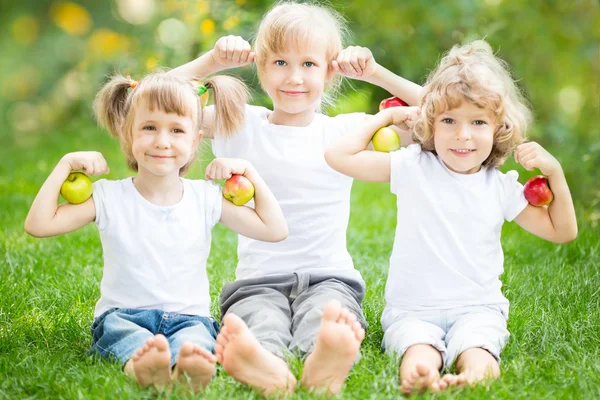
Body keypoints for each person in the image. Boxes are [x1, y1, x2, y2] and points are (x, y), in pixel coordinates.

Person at [168, 1, 423, 396]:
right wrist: (211, 61)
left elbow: (442, 117)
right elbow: (146, 102)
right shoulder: (237, 121)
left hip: (329, 278)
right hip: (258, 282)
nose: (294, 78)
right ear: (261, 66)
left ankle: (325, 360)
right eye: (281, 63)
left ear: (330, 70)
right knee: (260, 324)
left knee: (328, 321)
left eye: (309, 65)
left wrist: (376, 73)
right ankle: (267, 365)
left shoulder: (348, 132)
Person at [324, 39, 578, 395]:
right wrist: (386, 117)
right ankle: (422, 375)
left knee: (478, 348)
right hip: (412, 310)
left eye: (477, 122)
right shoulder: (413, 166)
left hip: (478, 309)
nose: (462, 135)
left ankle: (472, 375)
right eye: (448, 120)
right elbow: (339, 157)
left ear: (498, 128)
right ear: (429, 124)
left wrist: (556, 175)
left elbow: (562, 231)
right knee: (416, 348)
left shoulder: (500, 187)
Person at [24, 71, 287, 392]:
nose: (162, 141)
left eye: (176, 130)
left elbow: (274, 229)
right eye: (149, 128)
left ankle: (188, 368)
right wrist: (64, 165)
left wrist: (250, 173)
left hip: (190, 318)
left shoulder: (205, 198)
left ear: (194, 141)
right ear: (127, 133)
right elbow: (38, 225)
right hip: (123, 315)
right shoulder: (109, 197)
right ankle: (144, 366)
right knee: (125, 335)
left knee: (195, 342)